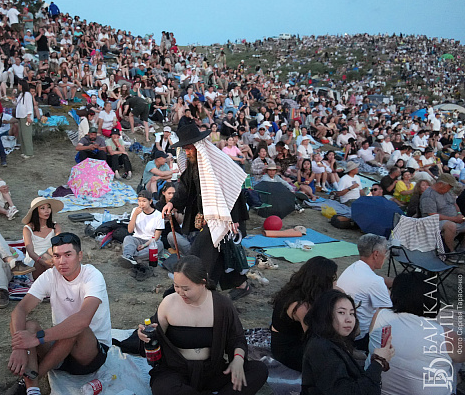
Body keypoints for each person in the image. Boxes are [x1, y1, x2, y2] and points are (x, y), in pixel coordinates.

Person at [138, 256, 268, 394]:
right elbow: (154, 335)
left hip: (212, 371)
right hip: (176, 370)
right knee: (164, 388)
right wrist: (144, 335)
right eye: (176, 286)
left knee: (258, 370)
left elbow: (236, 338)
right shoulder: (169, 303)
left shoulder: (222, 305)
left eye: (186, 289)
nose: (180, 292)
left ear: (202, 283)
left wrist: (238, 360)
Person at [7, 232, 111, 395]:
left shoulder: (92, 276)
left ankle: (31, 379)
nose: (62, 261)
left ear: (80, 256)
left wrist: (36, 339)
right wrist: (19, 345)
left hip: (89, 353)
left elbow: (83, 320)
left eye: (68, 255)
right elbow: (20, 309)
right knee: (29, 325)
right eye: (57, 256)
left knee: (76, 326)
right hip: (59, 350)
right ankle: (33, 390)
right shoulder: (50, 276)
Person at [162, 123, 251, 299]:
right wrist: (172, 203)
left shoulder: (218, 162)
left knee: (201, 249)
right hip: (209, 216)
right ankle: (240, 284)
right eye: (185, 149)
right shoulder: (193, 163)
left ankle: (193, 285)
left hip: (226, 215)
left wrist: (234, 219)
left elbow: (234, 190)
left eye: (189, 148)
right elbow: (185, 187)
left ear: (198, 145)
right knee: (221, 252)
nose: (187, 152)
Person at [368, 272, 464, 395]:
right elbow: (462, 357)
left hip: (377, 389)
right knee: (453, 361)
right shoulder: (446, 336)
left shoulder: (379, 316)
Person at [301, 289, 395, 395]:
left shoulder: (333, 340)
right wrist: (378, 361)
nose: (349, 319)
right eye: (341, 312)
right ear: (325, 315)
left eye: (352, 313)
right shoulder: (321, 348)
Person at [269, 257, 337, 371]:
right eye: (333, 279)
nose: (335, 282)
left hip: (297, 337)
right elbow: (314, 338)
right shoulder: (302, 307)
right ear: (323, 282)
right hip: (289, 349)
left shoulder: (301, 289)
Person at [336, 234, 393, 351]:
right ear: (376, 254)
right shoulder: (375, 281)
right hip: (359, 336)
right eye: (385, 253)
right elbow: (388, 313)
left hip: (342, 328)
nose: (386, 257)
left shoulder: (353, 268)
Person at [419, 173, 465, 252]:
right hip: (433, 222)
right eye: (449, 186)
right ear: (440, 184)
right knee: (450, 226)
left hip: (453, 218)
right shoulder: (429, 195)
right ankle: (450, 251)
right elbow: (432, 215)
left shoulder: (447, 192)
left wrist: (459, 214)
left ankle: (462, 248)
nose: (451, 188)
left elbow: (454, 203)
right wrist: (454, 219)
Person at [22, 197, 63, 279]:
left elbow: (59, 245)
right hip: (35, 260)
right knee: (46, 256)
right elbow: (30, 252)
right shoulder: (28, 229)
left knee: (53, 251)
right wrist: (44, 262)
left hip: (53, 256)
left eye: (48, 207)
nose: (47, 211)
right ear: (36, 211)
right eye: (42, 208)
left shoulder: (55, 226)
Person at [120, 190, 165, 265]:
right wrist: (135, 215)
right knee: (128, 238)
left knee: (159, 244)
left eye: (144, 201)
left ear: (150, 201)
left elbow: (156, 237)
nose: (141, 204)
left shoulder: (158, 215)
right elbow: (130, 230)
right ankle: (129, 256)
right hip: (137, 239)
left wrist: (145, 245)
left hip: (151, 241)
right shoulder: (135, 210)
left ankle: (132, 257)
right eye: (139, 201)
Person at [15, 80, 35, 159]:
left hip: (25, 117)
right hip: (20, 116)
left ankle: (29, 152)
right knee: (22, 134)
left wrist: (28, 116)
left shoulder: (27, 94)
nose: (18, 86)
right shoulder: (21, 94)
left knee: (27, 135)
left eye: (19, 85)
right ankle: (24, 151)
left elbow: (29, 106)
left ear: (21, 85)